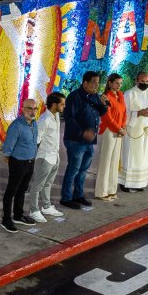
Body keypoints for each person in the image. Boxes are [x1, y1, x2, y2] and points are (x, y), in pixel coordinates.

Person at [60, 71, 109, 209]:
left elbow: (101, 112)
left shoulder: (94, 96)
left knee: (83, 170)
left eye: (98, 82)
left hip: (89, 141)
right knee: (73, 169)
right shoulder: (74, 97)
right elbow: (69, 118)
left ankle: (78, 195)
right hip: (76, 140)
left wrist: (104, 104)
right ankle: (66, 198)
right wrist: (82, 132)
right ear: (85, 83)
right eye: (94, 82)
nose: (97, 85)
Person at [119, 71, 148, 193]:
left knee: (143, 156)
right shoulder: (129, 94)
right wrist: (138, 113)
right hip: (133, 130)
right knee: (130, 155)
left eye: (147, 81)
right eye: (142, 81)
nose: (145, 83)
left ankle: (139, 182)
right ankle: (125, 182)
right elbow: (123, 113)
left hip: (146, 131)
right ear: (136, 81)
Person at [1, 97, 40, 232]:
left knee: (22, 189)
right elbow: (8, 146)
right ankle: (6, 220)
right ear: (22, 109)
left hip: (30, 161)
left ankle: (18, 215)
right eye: (29, 108)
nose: (32, 111)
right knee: (11, 191)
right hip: (18, 162)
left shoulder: (34, 124)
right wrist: (9, 159)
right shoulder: (17, 126)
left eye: (35, 109)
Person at [27, 92, 66, 223]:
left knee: (48, 184)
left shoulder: (56, 115)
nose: (64, 106)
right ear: (54, 105)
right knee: (38, 185)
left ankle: (46, 206)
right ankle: (33, 210)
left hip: (55, 156)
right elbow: (36, 140)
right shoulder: (44, 120)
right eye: (62, 104)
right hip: (44, 158)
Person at [95, 74, 126, 201]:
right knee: (106, 161)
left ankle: (112, 190)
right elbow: (107, 117)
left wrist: (122, 127)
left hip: (119, 131)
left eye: (120, 83)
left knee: (114, 161)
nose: (119, 85)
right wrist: (119, 129)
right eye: (116, 83)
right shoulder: (105, 97)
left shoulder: (121, 95)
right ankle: (101, 191)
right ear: (110, 83)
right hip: (109, 130)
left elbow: (124, 112)